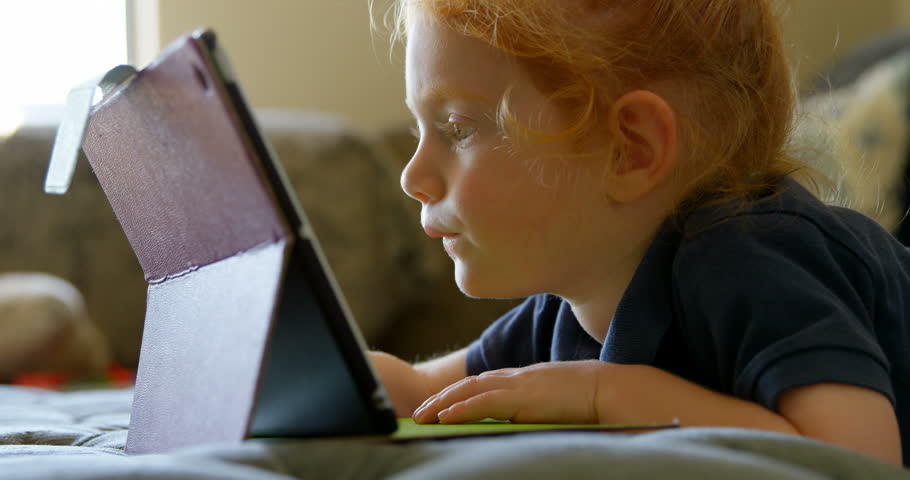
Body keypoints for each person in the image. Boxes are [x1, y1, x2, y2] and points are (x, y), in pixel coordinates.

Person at [367, 0, 908, 467]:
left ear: (632, 151)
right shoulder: (569, 306)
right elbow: (423, 392)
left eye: (457, 129)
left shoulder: (759, 256)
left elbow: (858, 460)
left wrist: (608, 395)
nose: (412, 177)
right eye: (420, 129)